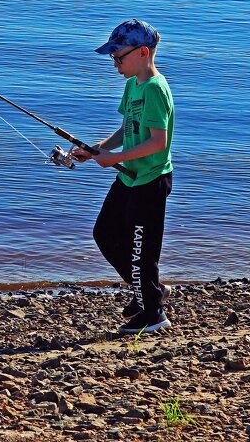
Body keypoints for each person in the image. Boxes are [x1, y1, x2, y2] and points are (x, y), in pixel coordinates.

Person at [71, 19, 175, 335]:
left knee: (141, 250)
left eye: (119, 58)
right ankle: (149, 290)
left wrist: (114, 159)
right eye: (113, 59)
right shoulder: (133, 85)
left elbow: (158, 141)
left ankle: (153, 314)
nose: (115, 65)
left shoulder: (156, 89)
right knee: (105, 233)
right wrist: (97, 149)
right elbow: (127, 128)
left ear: (143, 52)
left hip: (150, 181)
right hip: (129, 177)